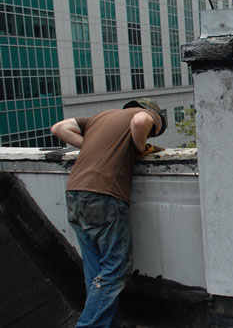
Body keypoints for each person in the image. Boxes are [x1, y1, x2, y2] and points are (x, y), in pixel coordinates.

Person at [51, 98, 165, 328]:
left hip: (75, 192)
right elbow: (141, 121)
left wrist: (91, 147)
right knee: (117, 268)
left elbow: (59, 128)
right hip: (104, 195)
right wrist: (140, 147)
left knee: (96, 273)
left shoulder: (99, 117)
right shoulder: (147, 115)